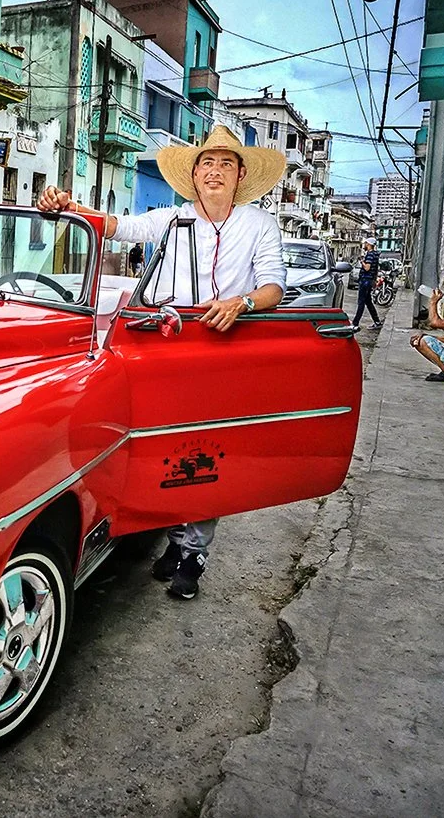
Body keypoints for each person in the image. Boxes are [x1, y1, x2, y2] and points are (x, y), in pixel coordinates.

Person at [37, 124, 287, 600]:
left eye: (225, 164)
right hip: (166, 344)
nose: (214, 171)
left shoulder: (260, 225)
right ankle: (174, 537)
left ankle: (194, 552)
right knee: (165, 448)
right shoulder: (171, 219)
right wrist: (67, 206)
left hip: (222, 348)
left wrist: (243, 304)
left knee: (208, 451)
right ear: (194, 176)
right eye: (206, 163)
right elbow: (117, 226)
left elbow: (273, 285)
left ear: (240, 177)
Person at [352, 237, 383, 330]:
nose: (364, 245)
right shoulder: (375, 255)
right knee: (368, 302)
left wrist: (362, 261)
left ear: (369, 244)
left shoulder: (370, 255)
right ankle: (377, 321)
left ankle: (355, 323)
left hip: (365, 280)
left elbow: (367, 268)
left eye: (366, 243)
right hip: (369, 280)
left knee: (361, 302)